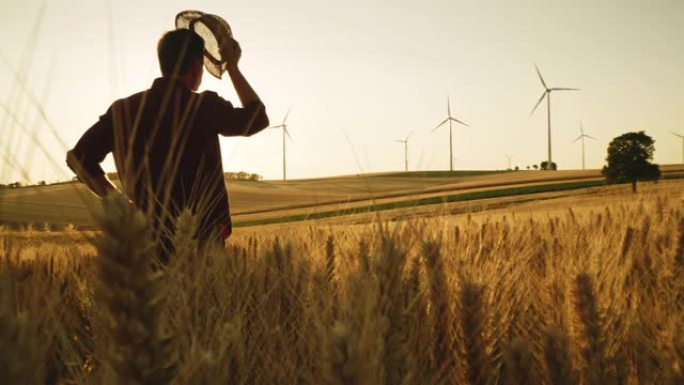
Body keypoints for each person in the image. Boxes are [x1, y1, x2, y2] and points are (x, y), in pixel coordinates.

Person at [66, 28, 269, 262]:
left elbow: (79, 158)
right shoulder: (204, 106)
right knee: (203, 299)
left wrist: (121, 205)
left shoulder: (123, 110)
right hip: (203, 243)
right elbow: (257, 119)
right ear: (195, 66)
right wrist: (232, 66)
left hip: (144, 244)